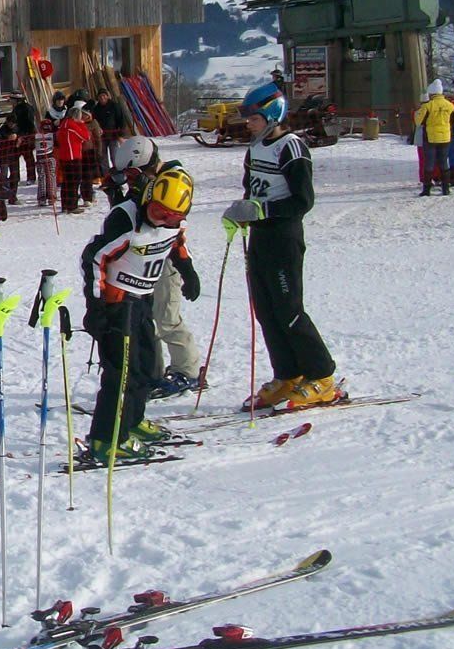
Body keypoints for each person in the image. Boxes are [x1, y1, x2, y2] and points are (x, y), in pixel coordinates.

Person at [221, 81, 338, 409]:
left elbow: (303, 200)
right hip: (260, 238)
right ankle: (288, 373)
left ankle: (322, 375)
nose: (249, 124)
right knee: (266, 310)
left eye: (254, 118)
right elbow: (252, 190)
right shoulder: (256, 147)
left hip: (284, 237)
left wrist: (264, 210)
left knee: (289, 310)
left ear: (272, 116)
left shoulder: (291, 147)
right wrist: (242, 214)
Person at [81, 168, 201, 461]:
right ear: (149, 198)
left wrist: (188, 271)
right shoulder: (127, 219)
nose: (162, 220)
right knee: (121, 374)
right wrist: (96, 307)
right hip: (117, 306)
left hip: (143, 300)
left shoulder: (172, 222)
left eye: (172, 216)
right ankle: (106, 439)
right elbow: (95, 258)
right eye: (158, 212)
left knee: (146, 368)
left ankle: (132, 422)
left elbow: (176, 242)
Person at [107, 138, 201, 394]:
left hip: (166, 258)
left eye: (131, 174)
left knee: (167, 318)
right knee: (147, 321)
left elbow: (170, 227)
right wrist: (116, 194)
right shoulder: (146, 183)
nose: (129, 180)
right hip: (143, 260)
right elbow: (130, 222)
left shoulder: (174, 178)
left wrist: (188, 270)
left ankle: (188, 371)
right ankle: (152, 372)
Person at [414, 79, 454, 196]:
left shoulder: (428, 106)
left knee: (429, 163)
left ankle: (427, 189)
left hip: (430, 138)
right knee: (443, 162)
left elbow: (418, 121)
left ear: (432, 93)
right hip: (445, 138)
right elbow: (453, 121)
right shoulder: (450, 105)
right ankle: (446, 189)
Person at [55, 99, 92, 213]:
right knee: (74, 181)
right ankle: (72, 206)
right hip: (73, 156)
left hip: (64, 156)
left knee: (66, 181)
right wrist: (82, 124)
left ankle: (65, 205)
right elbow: (86, 136)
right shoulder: (72, 125)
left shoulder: (63, 124)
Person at [11, 93, 37, 183]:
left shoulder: (25, 108)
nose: (11, 101)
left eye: (12, 99)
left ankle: (31, 177)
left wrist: (23, 135)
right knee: (15, 157)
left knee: (28, 157)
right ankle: (15, 177)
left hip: (26, 135)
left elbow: (29, 123)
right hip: (20, 135)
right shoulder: (17, 108)